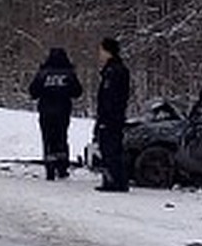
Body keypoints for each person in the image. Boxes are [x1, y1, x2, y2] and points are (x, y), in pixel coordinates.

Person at [28, 47, 83, 180]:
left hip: (46, 111)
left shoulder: (43, 73)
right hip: (63, 110)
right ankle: (62, 167)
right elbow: (77, 92)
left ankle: (50, 168)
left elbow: (33, 91)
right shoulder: (69, 73)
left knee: (48, 138)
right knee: (62, 137)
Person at [95, 36, 132, 192]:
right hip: (114, 116)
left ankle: (114, 181)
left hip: (111, 117)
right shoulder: (116, 69)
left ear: (108, 51)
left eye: (101, 50)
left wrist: (105, 117)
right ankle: (115, 179)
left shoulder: (114, 71)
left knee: (110, 148)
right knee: (112, 147)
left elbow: (110, 97)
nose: (99, 54)